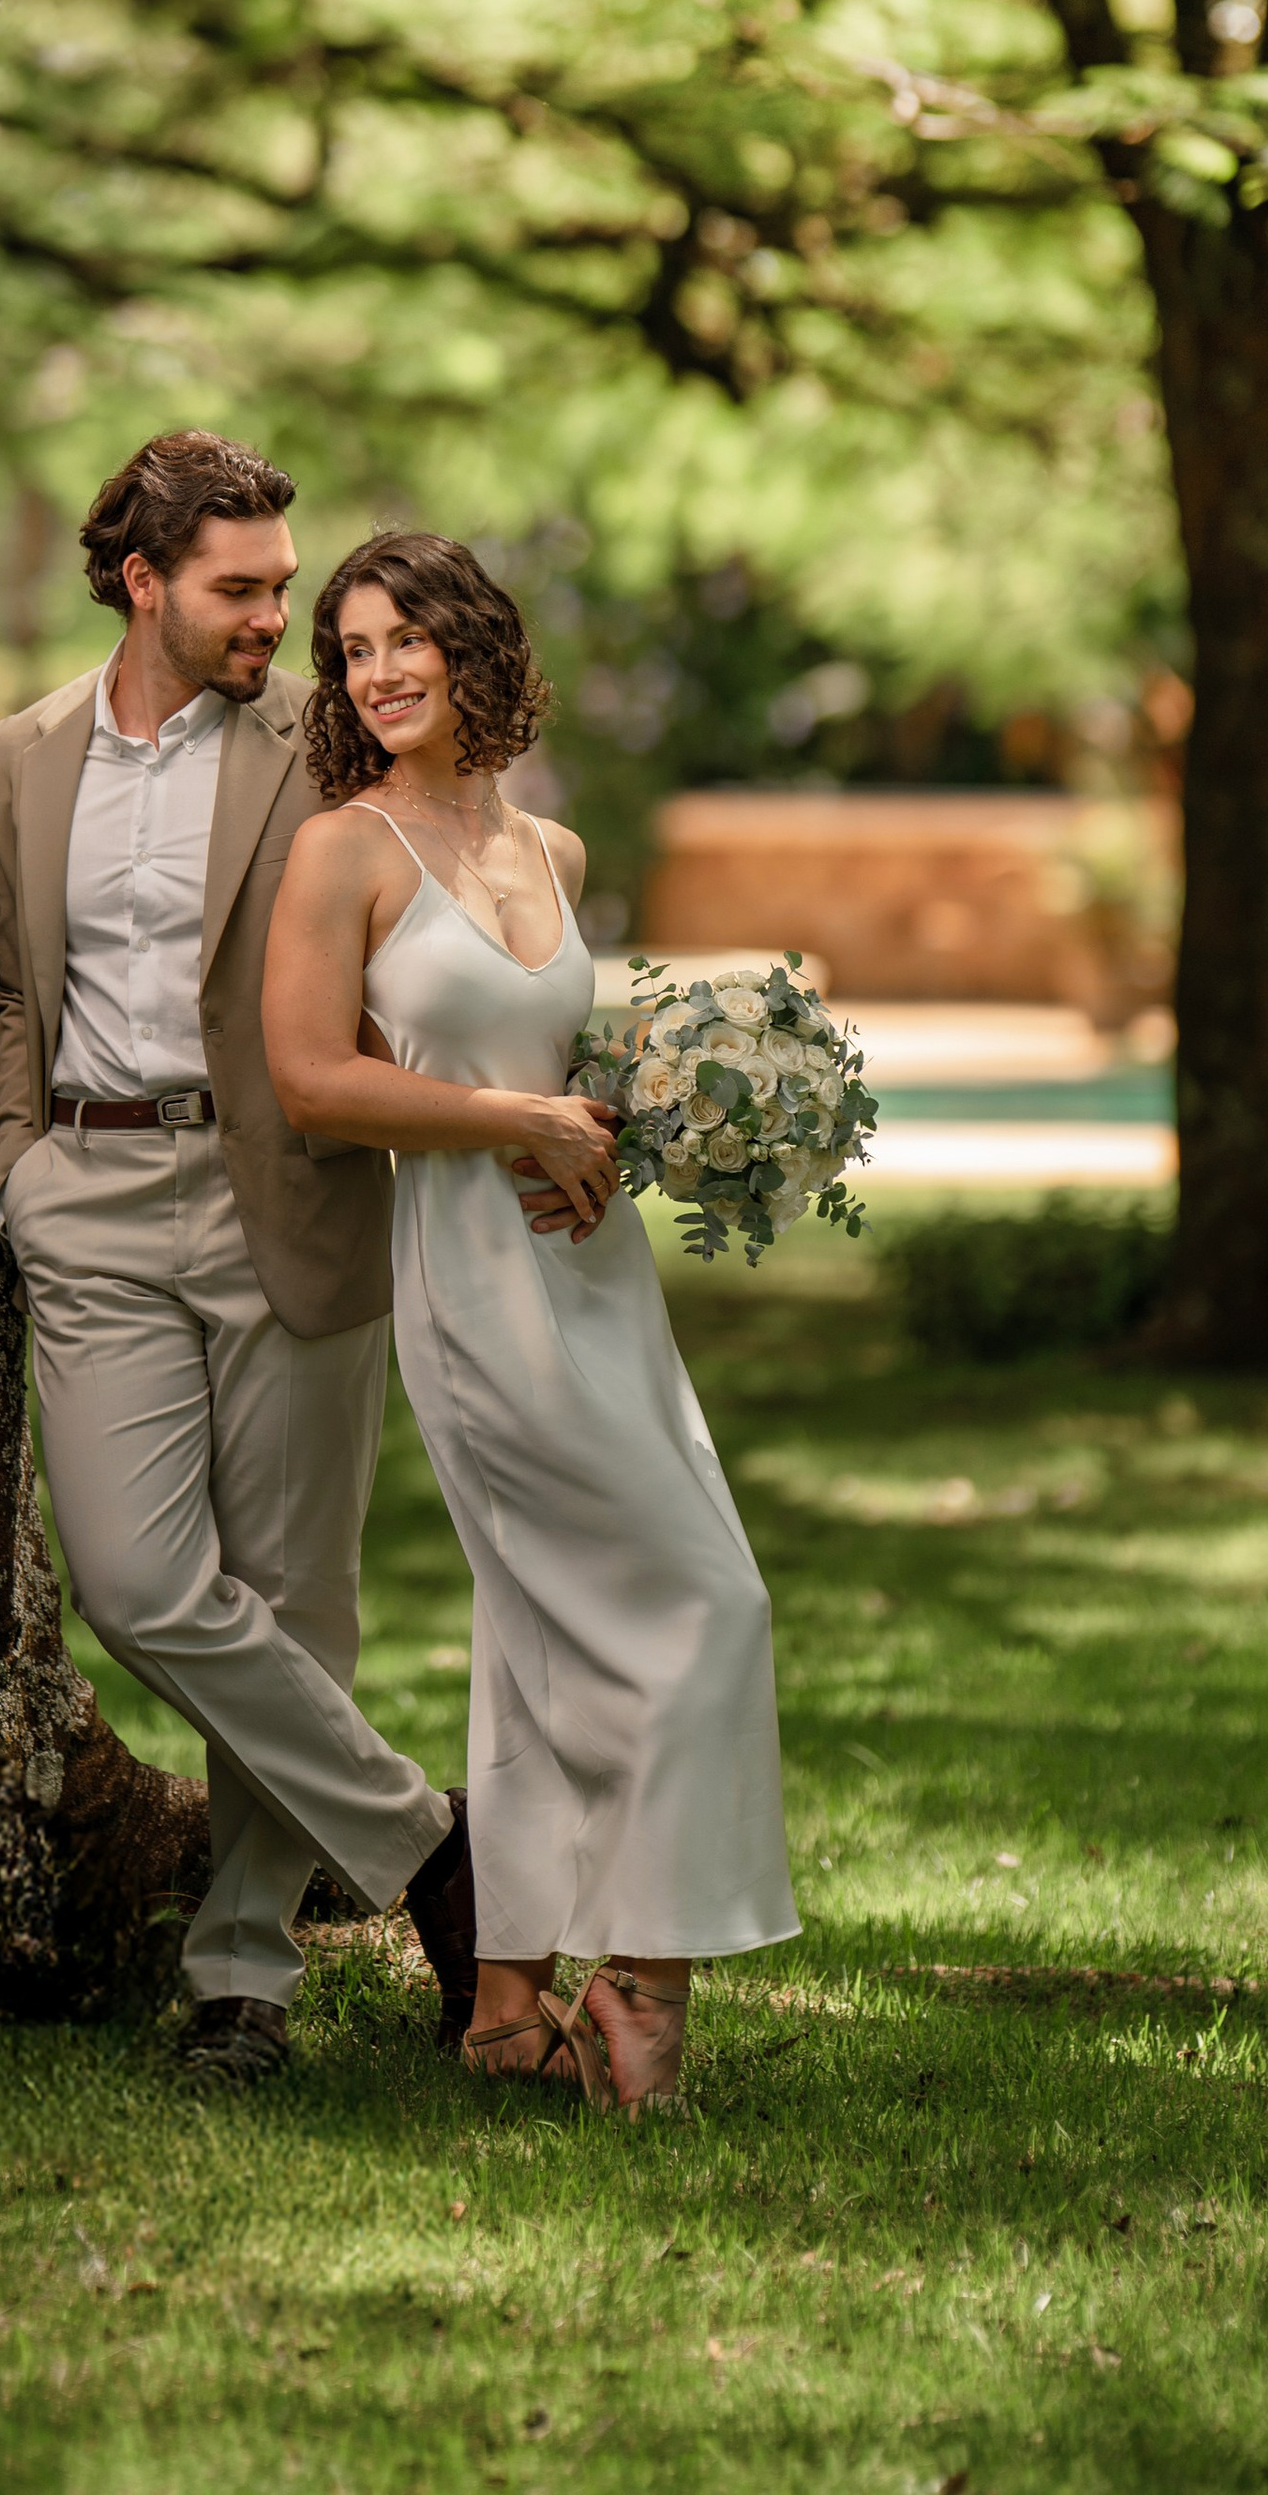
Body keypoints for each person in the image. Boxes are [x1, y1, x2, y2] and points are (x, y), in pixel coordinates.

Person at [262, 531, 798, 2108]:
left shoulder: (550, 853)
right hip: (469, 1283)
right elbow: (313, 1079)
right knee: (711, 1606)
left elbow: (574, 1083)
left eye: (403, 638)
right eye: (351, 650)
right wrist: (514, 1120)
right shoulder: (343, 851)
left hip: (594, 1273)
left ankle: (507, 2004)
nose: (378, 672)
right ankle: (644, 1984)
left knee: (542, 1630)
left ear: (473, 646)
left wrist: (607, 1142)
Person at [0, 433, 477, 2086]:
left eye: (285, 583)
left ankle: (242, 1983)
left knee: (291, 1598)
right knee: (134, 1584)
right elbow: (6, 979)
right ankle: (433, 1852)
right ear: (142, 582)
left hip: (293, 1191)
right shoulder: (21, 754)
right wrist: (14, 1161)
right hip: (90, 1193)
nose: (282, 614)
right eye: (242, 588)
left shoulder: (322, 752)